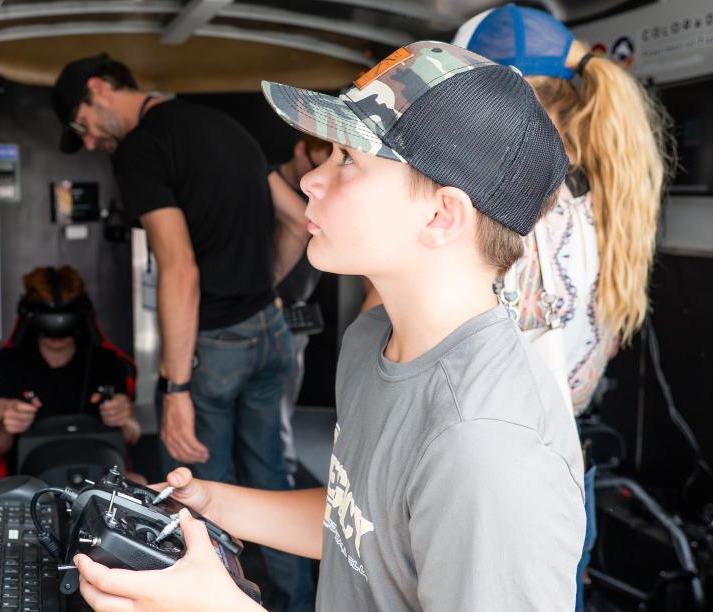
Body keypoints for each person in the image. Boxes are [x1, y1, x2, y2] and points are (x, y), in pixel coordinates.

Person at [71, 41, 586, 611]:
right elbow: (361, 522)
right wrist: (208, 503)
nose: (313, 179)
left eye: (348, 161)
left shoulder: (488, 448)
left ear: (441, 216)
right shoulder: (372, 341)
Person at [52, 54, 315, 611]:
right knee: (274, 485)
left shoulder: (142, 150)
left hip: (217, 344)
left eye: (83, 126)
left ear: (99, 90)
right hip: (271, 330)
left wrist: (174, 391)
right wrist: (259, 286)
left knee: (200, 498)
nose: (93, 143)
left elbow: (179, 269)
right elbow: (295, 219)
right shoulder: (224, 124)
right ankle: (296, 604)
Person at [447, 6, 674, 608]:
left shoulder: (509, 208)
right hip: (565, 471)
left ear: (503, 95)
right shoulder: (608, 197)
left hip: (493, 486)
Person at [0, 266, 140, 464]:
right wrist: (6, 425)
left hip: (98, 473)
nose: (57, 334)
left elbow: (132, 435)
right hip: (30, 482)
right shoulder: (5, 365)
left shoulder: (107, 362)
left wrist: (124, 420)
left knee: (139, 481)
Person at [270, 134, 332, 482]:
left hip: (296, 312)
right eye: (314, 164)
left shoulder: (321, 197)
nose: (317, 178)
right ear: (299, 149)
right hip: (260, 309)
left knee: (283, 408)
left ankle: (284, 476)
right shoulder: (269, 185)